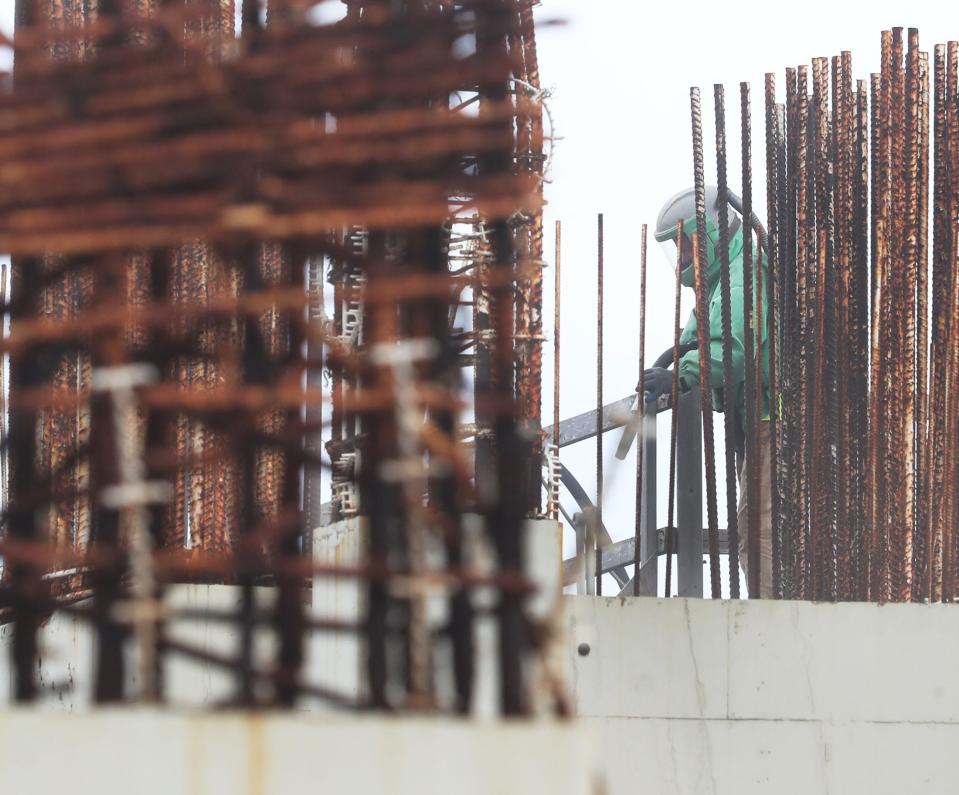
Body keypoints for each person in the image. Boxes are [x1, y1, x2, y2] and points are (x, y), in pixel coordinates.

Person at [639, 186, 772, 597]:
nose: (680, 259)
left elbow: (733, 349)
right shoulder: (718, 282)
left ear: (709, 235)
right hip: (751, 422)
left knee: (758, 530)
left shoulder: (743, 274)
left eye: (684, 245)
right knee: (756, 527)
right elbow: (698, 335)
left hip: (774, 419)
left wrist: (679, 377)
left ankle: (776, 623)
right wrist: (670, 362)